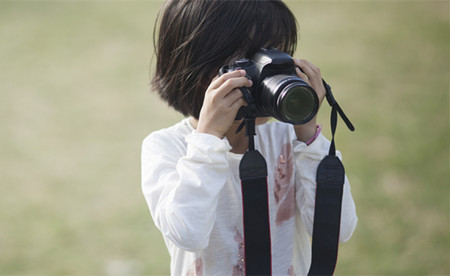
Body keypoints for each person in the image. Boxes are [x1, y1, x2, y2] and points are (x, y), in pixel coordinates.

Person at [141, 1, 357, 275]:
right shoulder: (167, 147)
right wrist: (208, 139)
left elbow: (338, 230)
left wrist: (308, 137)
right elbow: (188, 234)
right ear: (200, 70)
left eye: (279, 55)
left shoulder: (290, 140)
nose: (270, 72)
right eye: (253, 61)